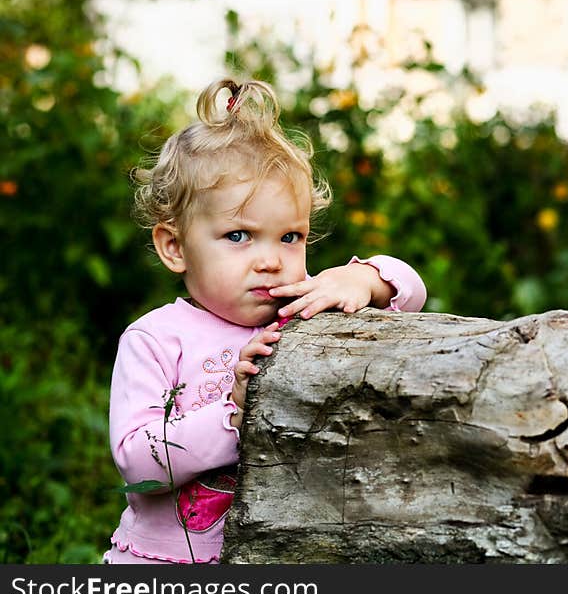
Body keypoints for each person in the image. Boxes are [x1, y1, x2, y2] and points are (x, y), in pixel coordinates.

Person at [104, 78, 427, 564]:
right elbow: (134, 461)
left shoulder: (302, 309)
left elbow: (411, 292)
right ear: (174, 246)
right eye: (239, 235)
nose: (271, 261)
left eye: (290, 237)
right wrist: (233, 414)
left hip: (282, 555)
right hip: (161, 561)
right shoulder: (155, 339)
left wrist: (360, 279)